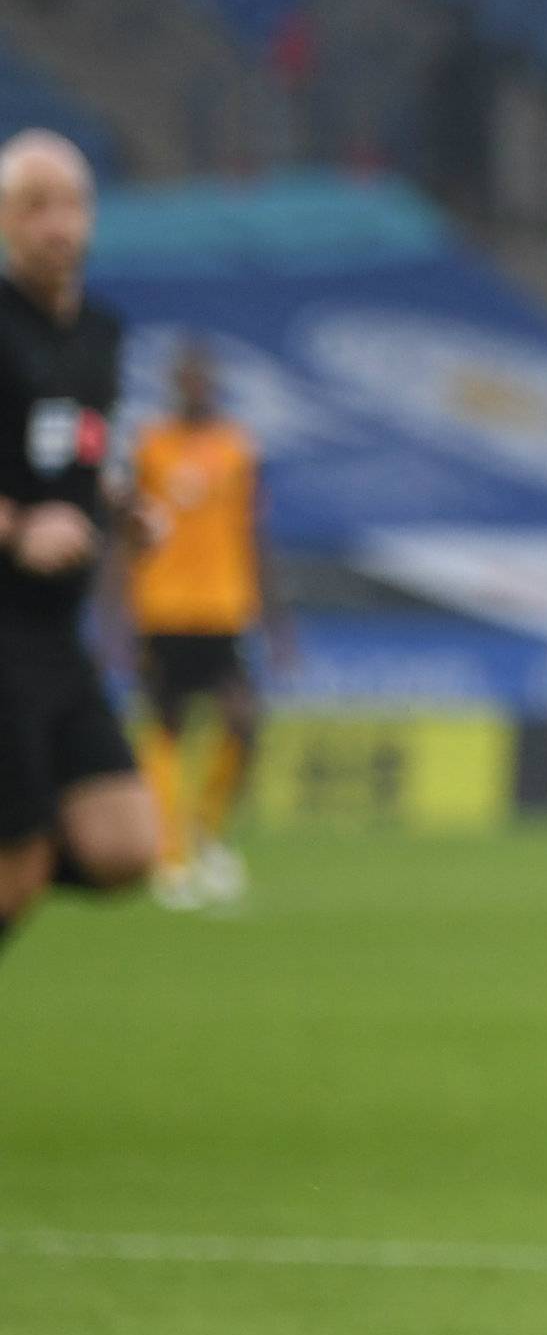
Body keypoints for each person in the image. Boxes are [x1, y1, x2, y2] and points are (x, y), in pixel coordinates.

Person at [0, 129, 154, 959]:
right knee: (16, 870)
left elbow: (78, 454)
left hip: (58, 637)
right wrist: (18, 527)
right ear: (3, 221)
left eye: (70, 204)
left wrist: (121, 507)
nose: (56, 223)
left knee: (125, 844)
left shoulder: (100, 333)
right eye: (34, 206)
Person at [119, 337, 270, 909]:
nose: (196, 388)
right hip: (162, 607)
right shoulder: (150, 444)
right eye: (187, 378)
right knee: (166, 724)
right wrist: (115, 617)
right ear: (174, 384)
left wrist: (276, 621)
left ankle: (206, 829)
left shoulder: (237, 447)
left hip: (225, 608)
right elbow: (123, 536)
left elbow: (252, 532)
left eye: (203, 378)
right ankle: (170, 853)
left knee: (244, 719)